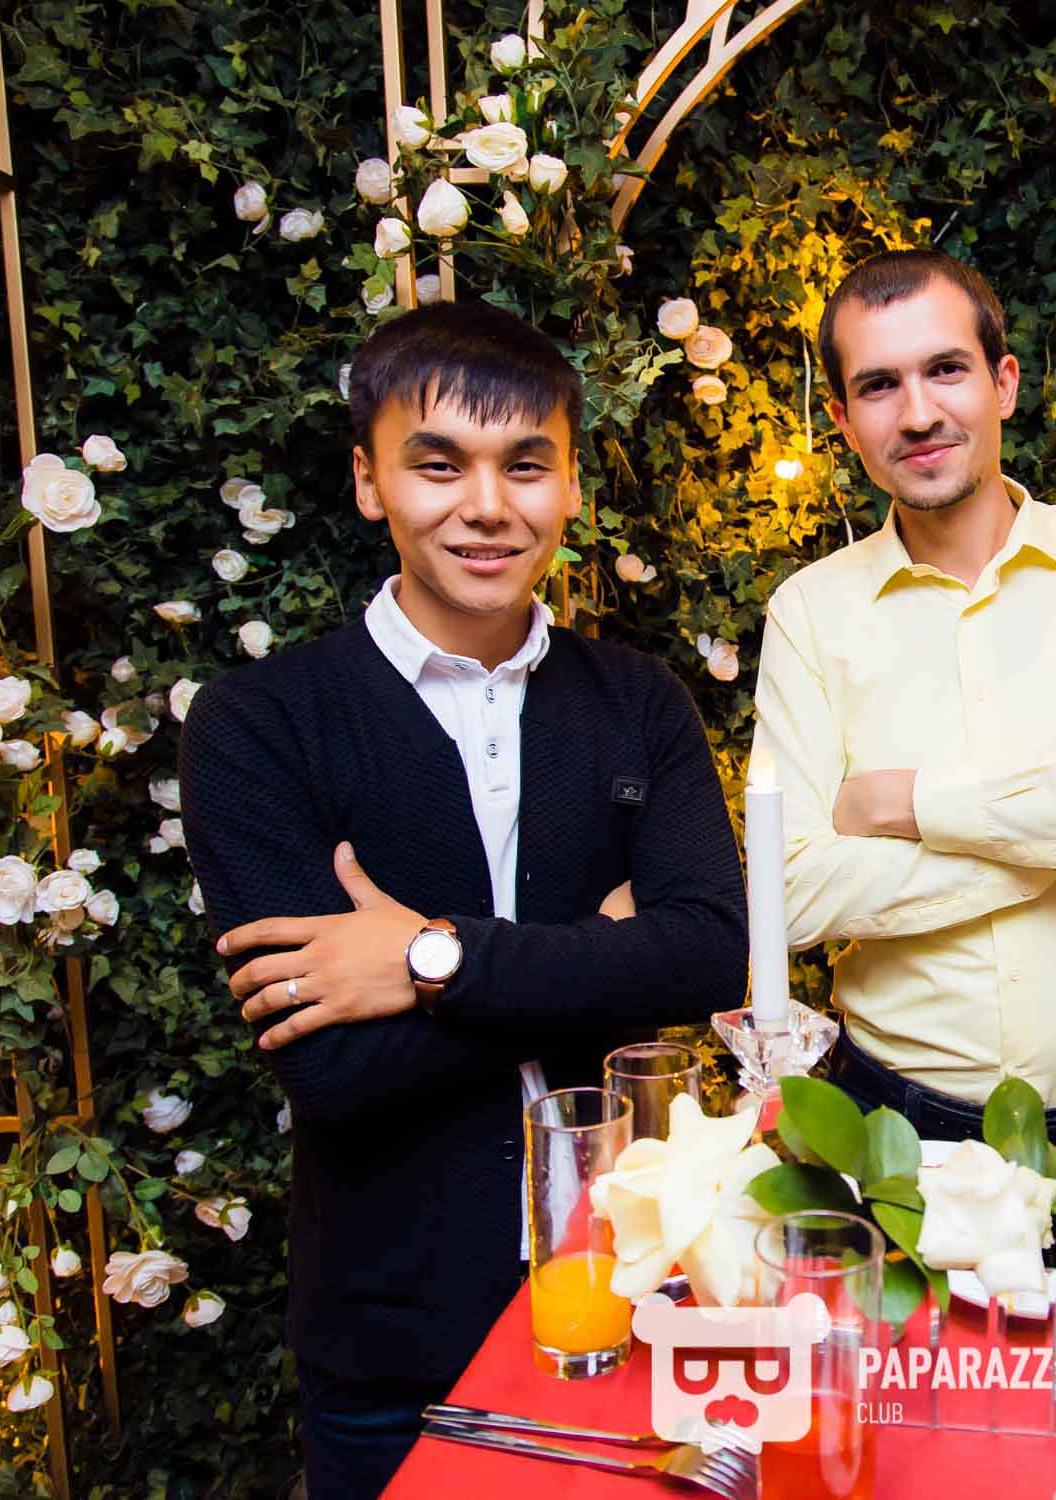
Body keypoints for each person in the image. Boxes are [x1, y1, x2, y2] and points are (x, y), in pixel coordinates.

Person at [179, 301, 747, 1500]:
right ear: (369, 481)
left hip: (642, 1299)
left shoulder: (639, 701)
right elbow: (334, 1068)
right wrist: (602, 955)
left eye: (525, 466)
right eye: (438, 465)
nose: (487, 506)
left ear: (571, 485)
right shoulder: (258, 725)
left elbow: (708, 957)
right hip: (391, 1346)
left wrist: (430, 963)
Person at [751, 249, 1056, 1141]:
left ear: (1003, 383)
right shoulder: (809, 612)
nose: (918, 413)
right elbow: (796, 891)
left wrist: (908, 804)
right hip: (887, 1122)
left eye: (945, 369)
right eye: (879, 386)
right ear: (843, 420)